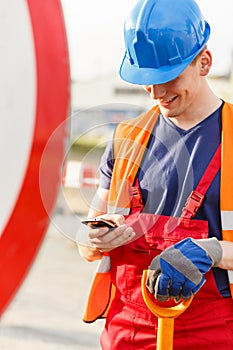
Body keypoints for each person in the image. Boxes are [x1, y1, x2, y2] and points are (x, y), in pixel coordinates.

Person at [78, 0, 233, 349]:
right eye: (147, 80)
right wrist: (94, 238)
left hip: (210, 329)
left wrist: (211, 251)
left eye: (169, 77)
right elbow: (85, 240)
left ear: (204, 62)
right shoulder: (126, 140)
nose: (156, 92)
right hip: (128, 328)